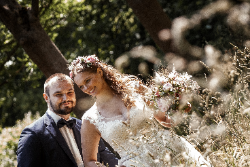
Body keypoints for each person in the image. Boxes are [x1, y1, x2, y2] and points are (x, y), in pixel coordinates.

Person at [69, 55, 212, 167]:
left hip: (173, 150)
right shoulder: (90, 119)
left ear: (99, 71)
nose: (86, 88)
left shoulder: (134, 88)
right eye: (81, 86)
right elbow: (89, 161)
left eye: (87, 80)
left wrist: (178, 109)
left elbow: (163, 119)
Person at [16, 73, 118, 167]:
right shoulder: (33, 134)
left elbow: (105, 155)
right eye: (58, 94)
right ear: (46, 97)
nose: (66, 98)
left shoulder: (86, 126)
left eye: (70, 92)